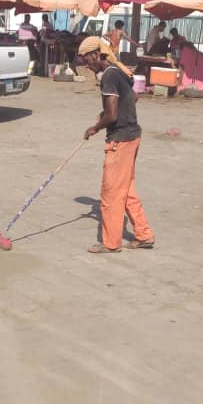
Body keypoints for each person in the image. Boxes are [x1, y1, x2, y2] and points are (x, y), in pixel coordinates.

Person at [78, 36, 155, 254]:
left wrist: (95, 127)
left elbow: (112, 115)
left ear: (96, 54)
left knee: (111, 193)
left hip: (120, 140)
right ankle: (144, 235)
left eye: (87, 59)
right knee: (126, 190)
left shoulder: (109, 76)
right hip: (132, 136)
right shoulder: (118, 71)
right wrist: (107, 112)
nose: (86, 64)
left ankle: (111, 243)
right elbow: (132, 98)